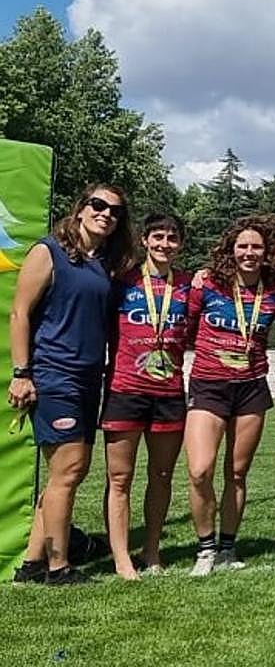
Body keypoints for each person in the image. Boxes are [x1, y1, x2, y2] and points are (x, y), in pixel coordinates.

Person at [8, 185, 135, 585]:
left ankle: (31, 564)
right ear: (80, 208)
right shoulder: (48, 251)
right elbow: (19, 313)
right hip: (53, 375)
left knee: (65, 473)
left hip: (88, 378)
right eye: (98, 205)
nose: (106, 214)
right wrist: (21, 373)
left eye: (115, 211)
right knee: (70, 469)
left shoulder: (104, 263)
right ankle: (59, 567)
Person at [185, 214, 275, 576]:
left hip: (251, 387)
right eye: (242, 245)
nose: (249, 252)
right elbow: (185, 324)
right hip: (209, 385)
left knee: (237, 472)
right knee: (199, 470)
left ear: (266, 252)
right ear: (231, 249)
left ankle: (227, 547)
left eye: (256, 246)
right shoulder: (208, 283)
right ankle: (205, 548)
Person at [101, 212, 191, 580]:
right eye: (158, 237)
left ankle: (152, 550)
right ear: (144, 241)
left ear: (180, 244)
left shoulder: (188, 285)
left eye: (172, 238)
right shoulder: (120, 282)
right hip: (125, 388)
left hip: (169, 392)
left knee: (162, 474)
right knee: (119, 478)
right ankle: (122, 557)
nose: (164, 244)